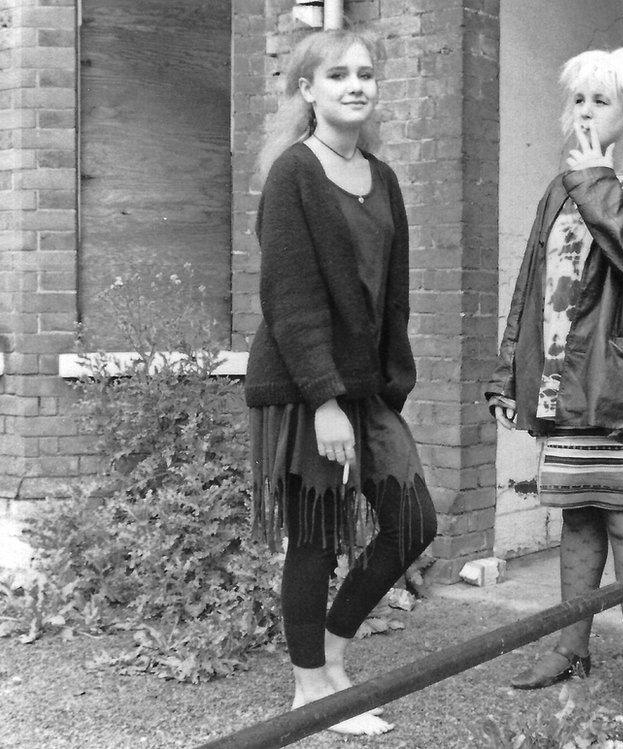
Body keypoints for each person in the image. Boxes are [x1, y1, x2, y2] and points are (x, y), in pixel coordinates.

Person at [486, 47, 623, 722]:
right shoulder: (557, 186)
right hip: (561, 378)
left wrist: (597, 180)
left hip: (620, 380)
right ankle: (571, 647)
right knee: (576, 515)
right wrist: (507, 367)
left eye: (599, 100)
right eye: (578, 99)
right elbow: (531, 283)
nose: (584, 111)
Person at [245, 28, 437, 737]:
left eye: (365, 74)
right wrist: (325, 401)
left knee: (414, 521)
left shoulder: (381, 177)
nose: (355, 85)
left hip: (366, 391)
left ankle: (330, 652)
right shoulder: (295, 173)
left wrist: (390, 389)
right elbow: (289, 298)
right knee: (317, 538)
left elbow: (395, 296)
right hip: (306, 391)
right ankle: (310, 693)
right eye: (337, 76)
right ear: (307, 90)